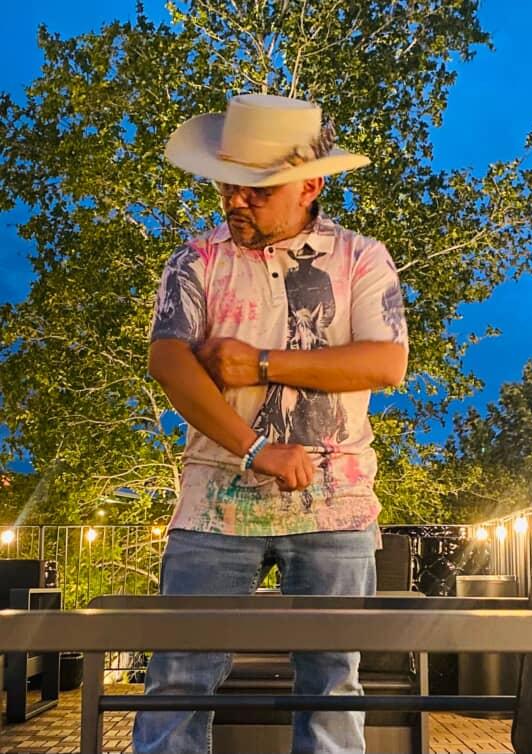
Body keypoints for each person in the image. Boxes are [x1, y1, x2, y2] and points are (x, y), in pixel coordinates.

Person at [133, 93, 409, 754]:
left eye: (257, 190)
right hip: (213, 504)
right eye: (228, 184)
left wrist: (257, 362)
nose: (235, 200)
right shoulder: (195, 261)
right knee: (177, 682)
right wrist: (257, 448)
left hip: (335, 506)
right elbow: (169, 362)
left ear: (310, 186)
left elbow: (386, 362)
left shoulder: (361, 258)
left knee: (332, 688)